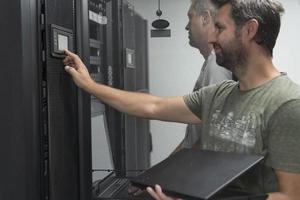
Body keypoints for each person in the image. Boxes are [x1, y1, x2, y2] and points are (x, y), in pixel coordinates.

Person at [63, 0, 300, 199]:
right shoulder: (220, 93)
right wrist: (89, 85)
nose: (212, 38)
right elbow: (153, 106)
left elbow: (290, 196)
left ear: (249, 30)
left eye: (220, 28)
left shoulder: (286, 103)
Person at [174, 0, 232, 152]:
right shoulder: (211, 64)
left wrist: (179, 167)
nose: (187, 26)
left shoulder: (217, 67)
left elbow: (214, 135)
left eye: (190, 17)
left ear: (205, 18)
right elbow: (194, 136)